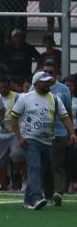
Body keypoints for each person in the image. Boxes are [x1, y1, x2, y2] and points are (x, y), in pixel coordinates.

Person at [10, 71, 76, 209]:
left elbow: (65, 117)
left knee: (43, 169)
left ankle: (27, 201)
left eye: (49, 82)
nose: (48, 84)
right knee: (35, 167)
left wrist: (72, 133)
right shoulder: (25, 98)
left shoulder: (54, 99)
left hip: (47, 141)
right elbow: (14, 118)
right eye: (44, 82)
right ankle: (36, 198)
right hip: (30, 139)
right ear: (36, 83)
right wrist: (20, 137)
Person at [40, 59, 73, 204]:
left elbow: (68, 112)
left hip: (59, 132)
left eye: (51, 72)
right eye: (45, 71)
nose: (48, 74)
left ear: (57, 73)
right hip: (41, 133)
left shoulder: (63, 90)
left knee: (57, 163)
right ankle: (48, 194)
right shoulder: (36, 87)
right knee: (45, 164)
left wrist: (70, 132)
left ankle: (58, 191)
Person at [0, 75, 25, 191]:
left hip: (14, 132)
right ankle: (2, 184)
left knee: (18, 155)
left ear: (9, 86)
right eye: (1, 87)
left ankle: (17, 172)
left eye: (5, 87)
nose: (3, 89)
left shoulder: (17, 96)